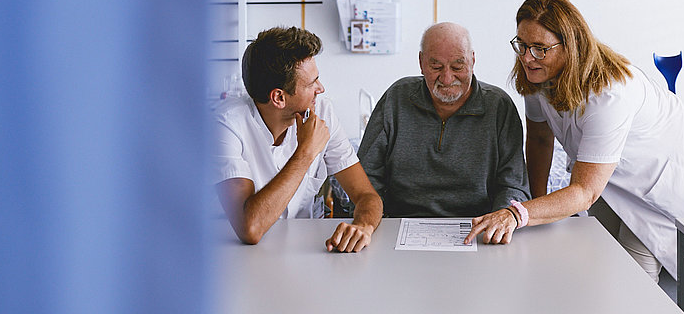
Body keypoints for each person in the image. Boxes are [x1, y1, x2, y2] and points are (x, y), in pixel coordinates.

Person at [466, 0, 684, 313]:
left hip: (662, 183)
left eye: (540, 48)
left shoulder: (609, 93)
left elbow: (584, 191)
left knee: (631, 285)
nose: (527, 57)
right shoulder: (538, 75)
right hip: (610, 176)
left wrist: (517, 213)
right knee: (594, 258)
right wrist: (536, 208)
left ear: (570, 46)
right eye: (521, 45)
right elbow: (539, 138)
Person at [212, 26, 382, 252]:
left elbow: (367, 196)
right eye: (312, 83)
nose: (320, 89)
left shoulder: (322, 111)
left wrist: (363, 227)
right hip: (233, 256)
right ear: (279, 97)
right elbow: (250, 229)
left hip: (302, 249)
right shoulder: (226, 126)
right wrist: (306, 152)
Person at [358, 22, 530, 243]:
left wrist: (499, 222)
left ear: (473, 61)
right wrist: (376, 222)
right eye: (436, 67)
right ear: (421, 63)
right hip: (398, 225)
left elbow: (513, 186)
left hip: (478, 227)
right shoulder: (396, 98)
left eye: (458, 67)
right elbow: (366, 176)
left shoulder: (499, 107)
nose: (447, 78)